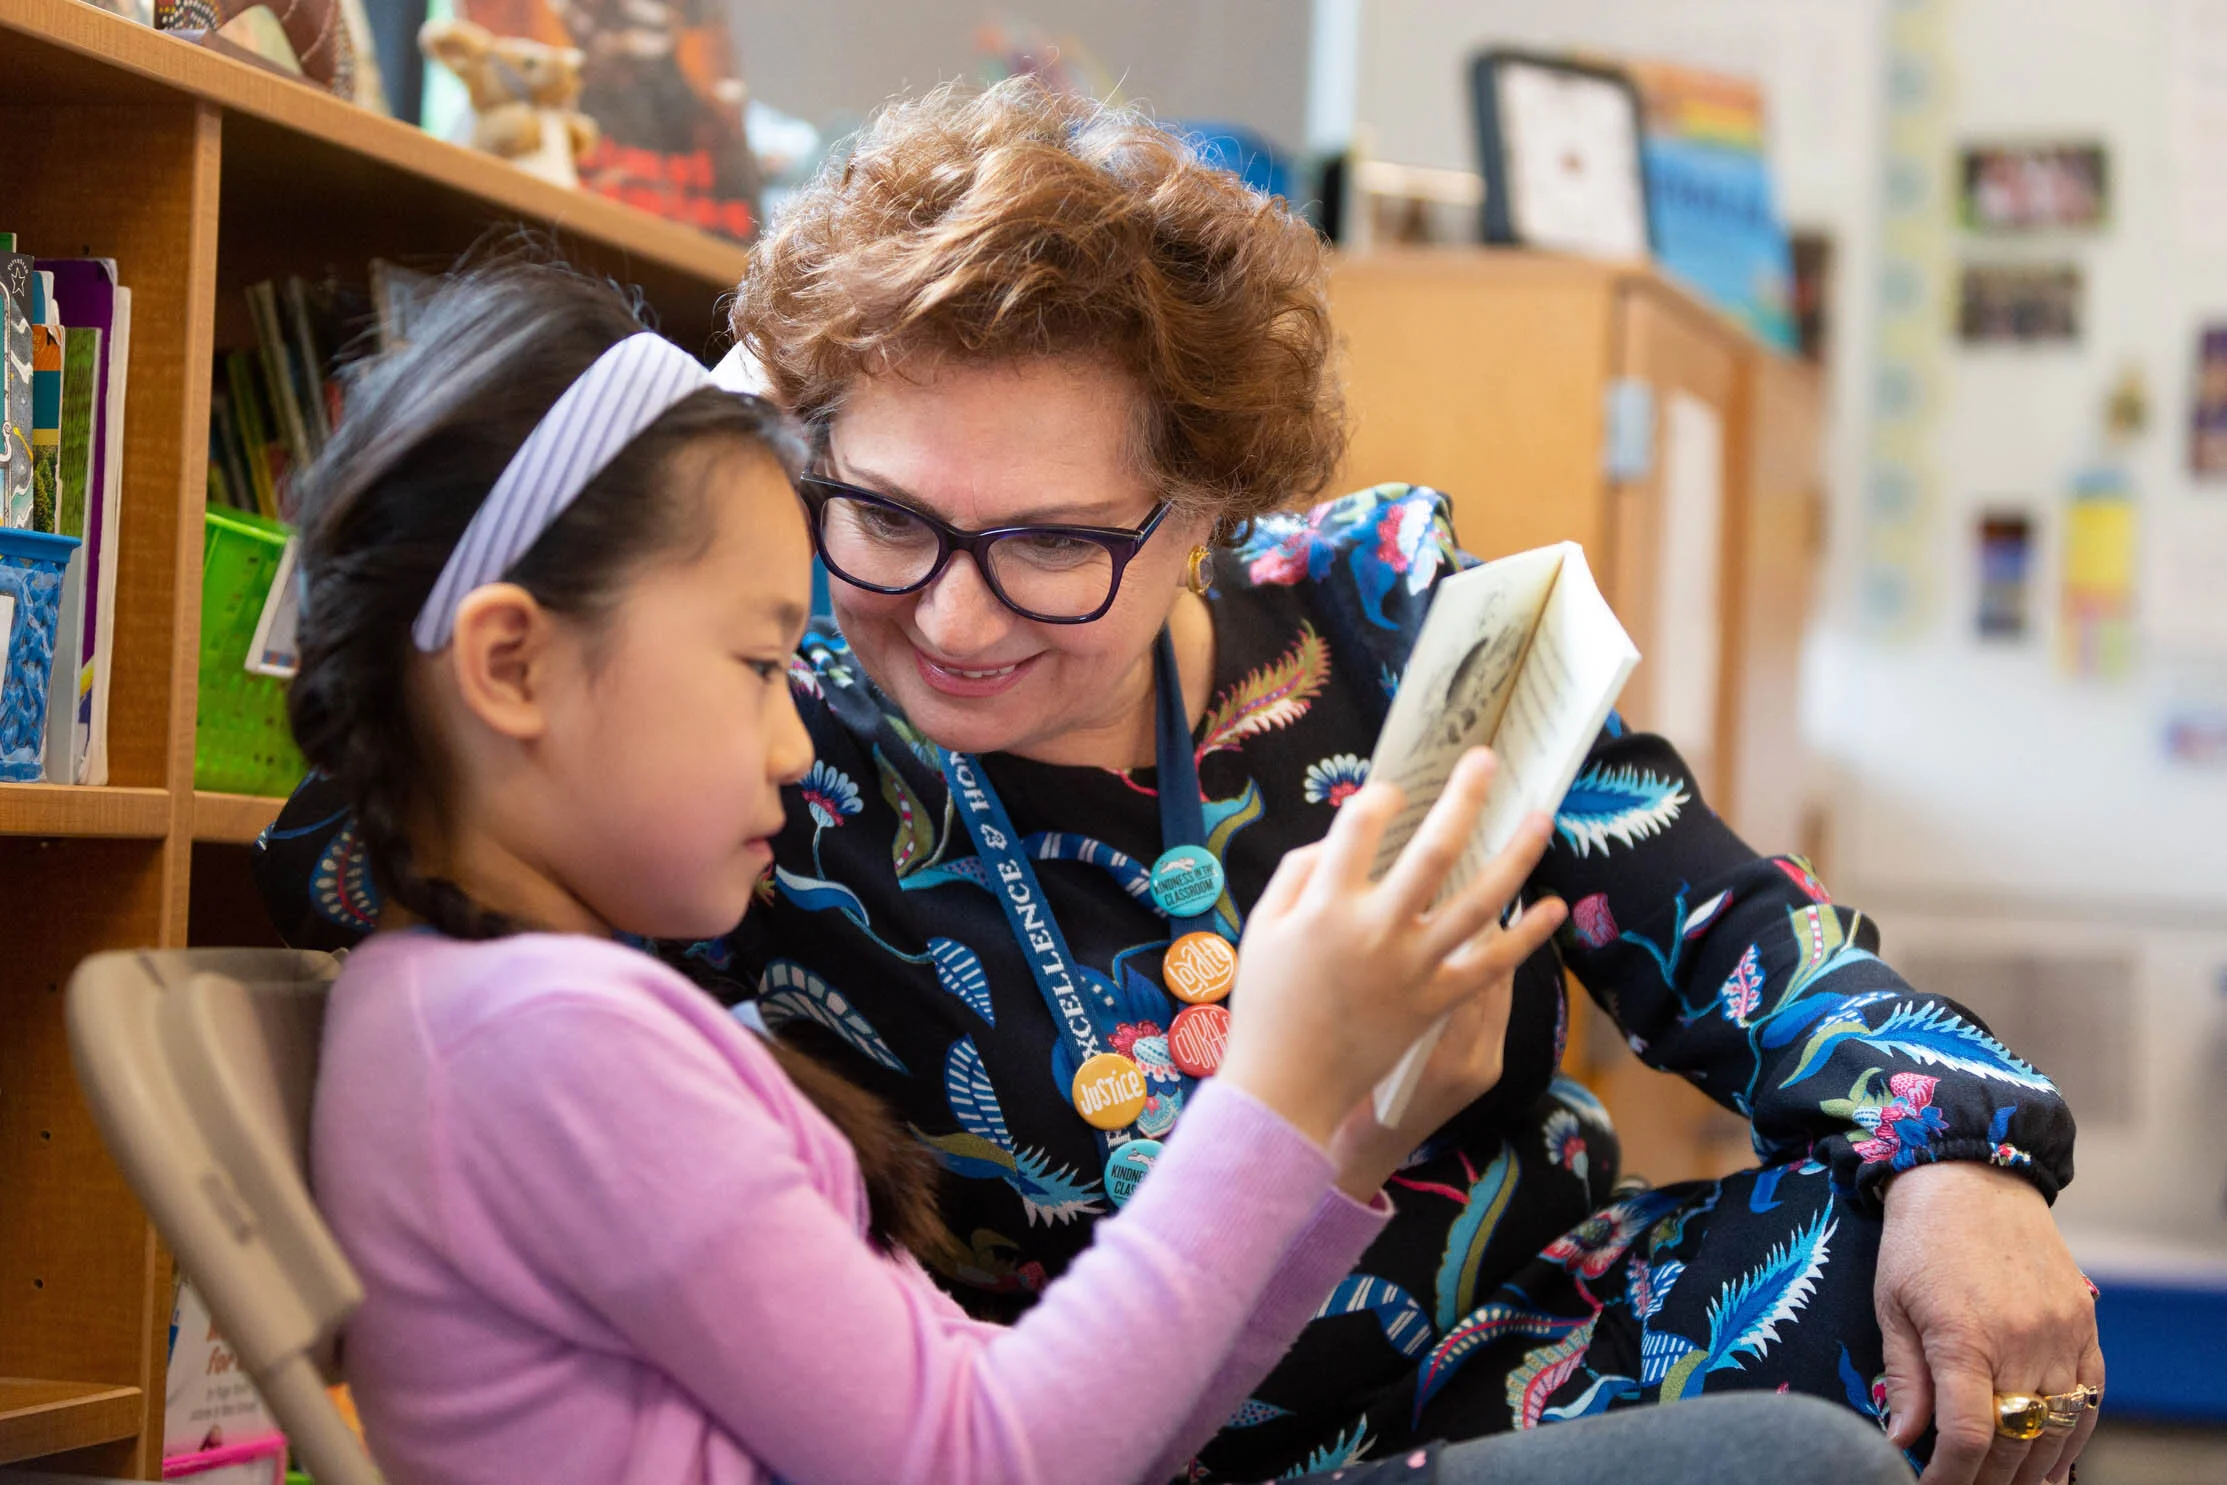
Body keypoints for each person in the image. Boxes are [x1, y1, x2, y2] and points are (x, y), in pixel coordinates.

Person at [257, 83, 2098, 1485]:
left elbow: (1746, 944)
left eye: (1054, 544)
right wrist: (692, 437)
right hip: (1076, 1422)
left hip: (1522, 1345)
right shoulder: (746, 737)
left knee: (1892, 1272)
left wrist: (1960, 1156)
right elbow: (372, 841)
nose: (954, 616)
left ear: (1216, 504)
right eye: (886, 513)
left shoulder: (1392, 627)